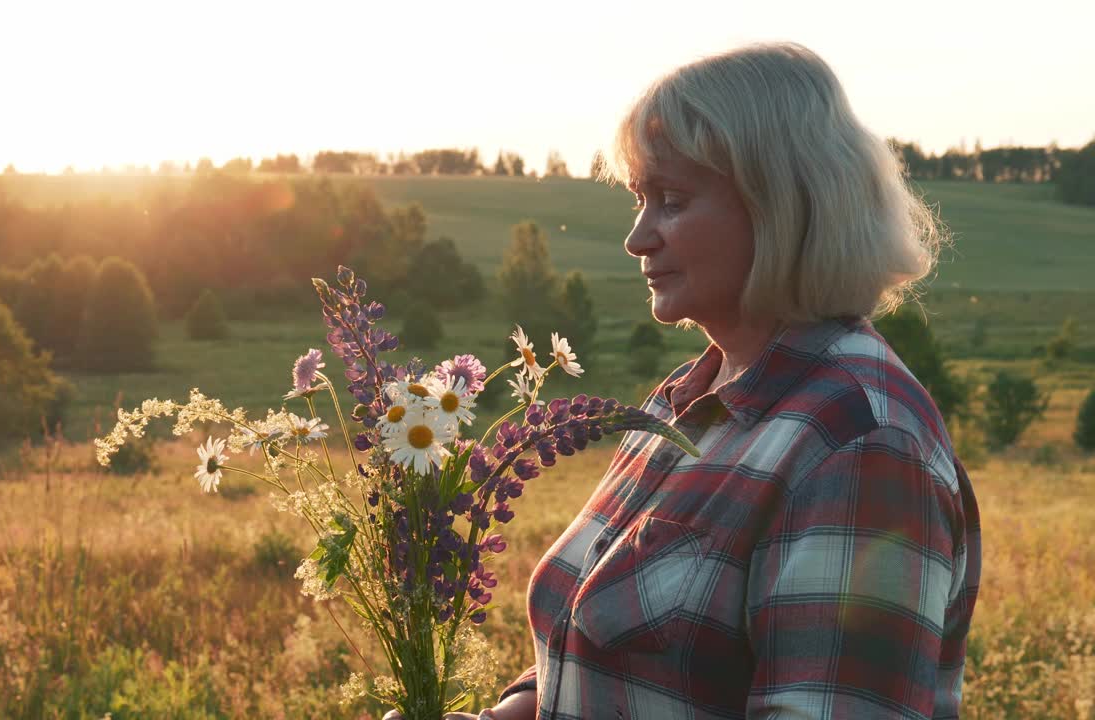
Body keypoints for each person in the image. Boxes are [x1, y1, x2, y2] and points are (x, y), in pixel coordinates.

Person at [392, 41, 982, 720]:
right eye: (640, 199)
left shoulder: (861, 444)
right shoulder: (685, 398)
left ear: (781, 205)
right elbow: (607, 651)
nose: (637, 238)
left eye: (671, 200)